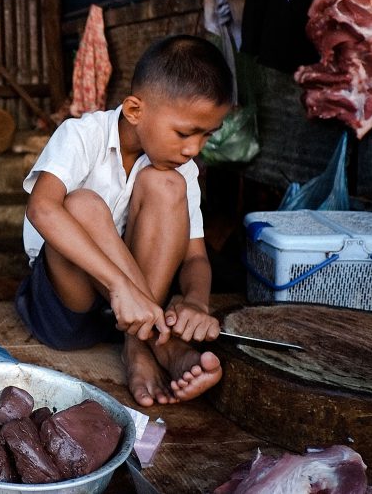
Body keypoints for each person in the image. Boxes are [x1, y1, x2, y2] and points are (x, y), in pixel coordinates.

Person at [16, 34, 233, 407]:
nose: (193, 149)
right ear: (135, 110)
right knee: (82, 203)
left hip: (141, 311)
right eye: (184, 133)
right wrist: (119, 287)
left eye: (206, 135)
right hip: (69, 307)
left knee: (167, 184)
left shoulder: (182, 169)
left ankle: (139, 345)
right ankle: (163, 347)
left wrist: (196, 303)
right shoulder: (82, 135)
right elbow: (42, 209)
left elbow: (196, 257)